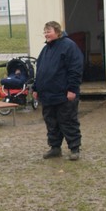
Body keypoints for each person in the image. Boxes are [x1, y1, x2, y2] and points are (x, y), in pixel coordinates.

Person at [33, 21, 84, 160]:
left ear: (57, 31)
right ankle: (55, 147)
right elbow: (40, 70)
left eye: (48, 31)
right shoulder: (46, 49)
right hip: (47, 95)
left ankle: (74, 148)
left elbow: (75, 69)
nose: (46, 34)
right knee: (51, 123)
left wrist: (72, 89)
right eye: (44, 32)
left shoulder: (69, 46)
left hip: (63, 94)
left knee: (68, 121)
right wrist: (36, 88)